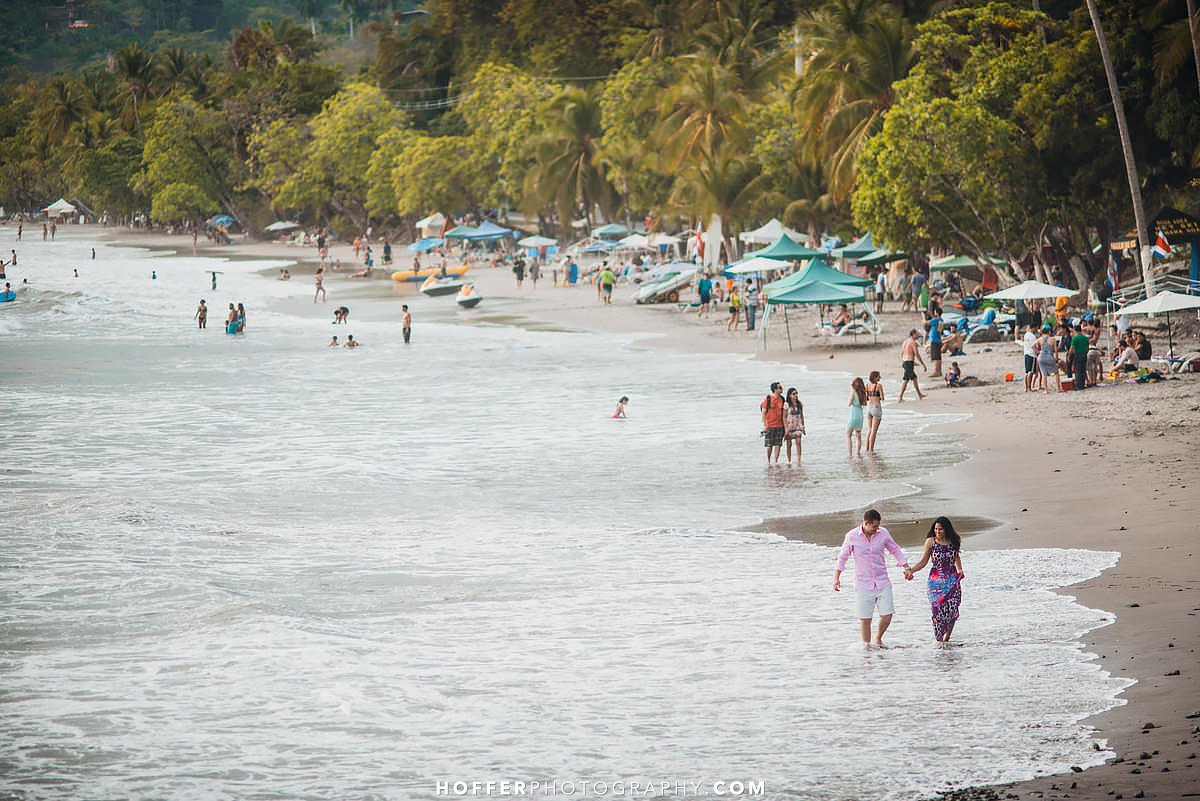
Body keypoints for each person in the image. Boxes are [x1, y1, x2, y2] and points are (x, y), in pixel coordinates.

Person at [833, 509, 913, 647]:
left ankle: (878, 638)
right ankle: (866, 650)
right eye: (874, 526)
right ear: (866, 523)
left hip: (882, 581)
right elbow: (843, 557)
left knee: (887, 614)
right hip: (863, 583)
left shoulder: (883, 533)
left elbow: (895, 549)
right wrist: (836, 578)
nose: (877, 529)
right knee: (865, 619)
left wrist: (906, 567)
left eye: (878, 526)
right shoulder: (852, 536)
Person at [908, 517, 965, 644]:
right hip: (935, 580)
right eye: (936, 529)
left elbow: (956, 556)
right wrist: (911, 570)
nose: (937, 532)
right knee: (936, 609)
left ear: (946, 529)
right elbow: (923, 561)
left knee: (952, 608)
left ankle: (946, 638)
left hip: (951, 579)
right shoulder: (930, 542)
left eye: (940, 529)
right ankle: (939, 639)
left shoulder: (954, 540)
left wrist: (960, 569)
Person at [898, 329, 927, 401]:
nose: (918, 335)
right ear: (913, 334)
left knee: (913, 379)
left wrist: (909, 362)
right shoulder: (913, 342)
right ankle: (900, 396)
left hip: (906, 362)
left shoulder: (905, 342)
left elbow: (902, 353)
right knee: (906, 380)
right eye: (917, 334)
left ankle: (919, 395)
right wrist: (923, 364)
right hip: (908, 362)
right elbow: (917, 354)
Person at [760, 382, 785, 466]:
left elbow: (784, 413)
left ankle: (776, 461)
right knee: (769, 445)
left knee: (778, 444)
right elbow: (763, 413)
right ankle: (768, 462)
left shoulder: (782, 399)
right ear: (775, 389)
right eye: (780, 387)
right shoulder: (768, 399)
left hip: (780, 425)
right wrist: (765, 425)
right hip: (770, 426)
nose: (781, 389)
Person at [783, 387, 805, 464]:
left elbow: (802, 416)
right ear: (789, 395)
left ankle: (799, 459)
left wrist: (803, 426)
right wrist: (786, 428)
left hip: (798, 426)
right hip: (789, 426)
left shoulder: (799, 404)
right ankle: (789, 461)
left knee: (798, 442)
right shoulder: (786, 404)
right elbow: (784, 417)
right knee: (789, 444)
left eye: (796, 393)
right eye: (793, 394)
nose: (795, 395)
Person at [1035, 324, 1059, 392]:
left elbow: (1033, 346)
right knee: (1056, 372)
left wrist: (1038, 352)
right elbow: (1056, 350)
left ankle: (1046, 390)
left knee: (1044, 374)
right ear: (1049, 331)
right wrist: (1056, 358)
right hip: (1049, 356)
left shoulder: (1040, 339)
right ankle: (1058, 388)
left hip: (1041, 357)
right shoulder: (1052, 339)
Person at [865, 370, 884, 452]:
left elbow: (866, 398)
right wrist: (877, 397)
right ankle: (871, 450)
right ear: (875, 378)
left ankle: (867, 448)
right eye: (879, 376)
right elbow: (882, 398)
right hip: (876, 408)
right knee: (874, 431)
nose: (880, 377)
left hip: (869, 408)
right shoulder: (879, 385)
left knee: (869, 430)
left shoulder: (867, 385)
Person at [846, 377, 866, 457]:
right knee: (858, 436)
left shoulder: (853, 393)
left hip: (853, 415)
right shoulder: (863, 393)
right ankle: (858, 453)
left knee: (848, 435)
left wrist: (852, 394)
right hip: (860, 415)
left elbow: (849, 403)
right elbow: (864, 404)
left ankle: (850, 455)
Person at [1069, 323, 1089, 391]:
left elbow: (1071, 349)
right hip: (1084, 354)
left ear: (1075, 330)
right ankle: (1082, 384)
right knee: (1083, 370)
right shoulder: (1085, 338)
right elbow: (1087, 348)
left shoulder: (1075, 338)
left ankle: (1078, 385)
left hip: (1077, 355)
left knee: (1078, 370)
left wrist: (1069, 356)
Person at [1022, 324, 1039, 392]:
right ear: (1033, 328)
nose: (1036, 330)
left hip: (1026, 354)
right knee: (1030, 372)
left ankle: (1026, 388)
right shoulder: (1033, 336)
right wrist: (1038, 352)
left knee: (1026, 372)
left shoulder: (1026, 335)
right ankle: (1029, 387)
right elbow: (1034, 346)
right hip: (1032, 355)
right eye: (1036, 328)